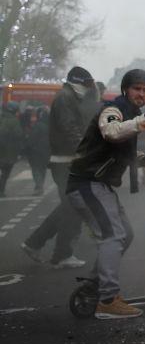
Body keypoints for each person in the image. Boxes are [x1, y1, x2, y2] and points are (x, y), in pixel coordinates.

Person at [65, 69, 145, 319]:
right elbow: (112, 132)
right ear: (125, 90)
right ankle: (108, 300)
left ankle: (95, 285)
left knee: (125, 234)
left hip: (99, 184)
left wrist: (142, 159)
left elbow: (117, 148)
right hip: (87, 183)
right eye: (136, 89)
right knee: (112, 235)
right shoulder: (113, 110)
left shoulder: (129, 113)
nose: (141, 94)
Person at [21, 66, 97, 268]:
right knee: (73, 207)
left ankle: (36, 244)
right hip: (66, 161)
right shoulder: (66, 98)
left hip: (66, 160)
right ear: (78, 81)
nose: (89, 88)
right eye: (87, 84)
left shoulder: (69, 97)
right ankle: (60, 254)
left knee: (69, 206)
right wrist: (84, 151)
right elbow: (69, 128)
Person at [0, 102, 25, 197]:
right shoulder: (14, 121)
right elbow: (18, 135)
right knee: (5, 174)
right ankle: (1, 191)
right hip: (8, 153)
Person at [25, 107, 50, 196]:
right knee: (42, 169)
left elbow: (32, 139)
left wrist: (27, 147)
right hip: (46, 152)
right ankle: (40, 185)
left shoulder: (38, 126)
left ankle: (39, 186)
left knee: (36, 169)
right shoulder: (50, 126)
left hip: (36, 152)